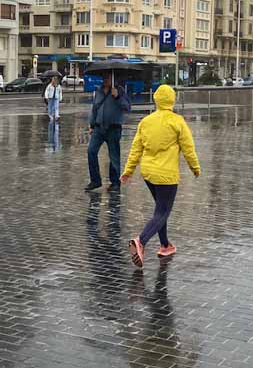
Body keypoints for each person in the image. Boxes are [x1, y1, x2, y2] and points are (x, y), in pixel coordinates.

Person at [120, 84, 200, 268]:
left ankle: (165, 245)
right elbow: (188, 148)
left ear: (156, 99)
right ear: (172, 100)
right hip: (167, 175)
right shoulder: (177, 121)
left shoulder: (146, 121)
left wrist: (128, 170)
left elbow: (136, 148)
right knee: (163, 211)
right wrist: (195, 168)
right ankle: (141, 241)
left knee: (160, 210)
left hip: (148, 173)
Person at [85, 75, 131, 192]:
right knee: (91, 151)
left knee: (114, 156)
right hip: (99, 128)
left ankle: (115, 182)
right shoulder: (99, 92)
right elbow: (94, 109)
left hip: (113, 128)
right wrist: (92, 124)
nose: (105, 80)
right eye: (104, 78)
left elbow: (127, 107)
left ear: (113, 79)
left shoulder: (120, 91)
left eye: (108, 78)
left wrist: (117, 97)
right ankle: (95, 180)